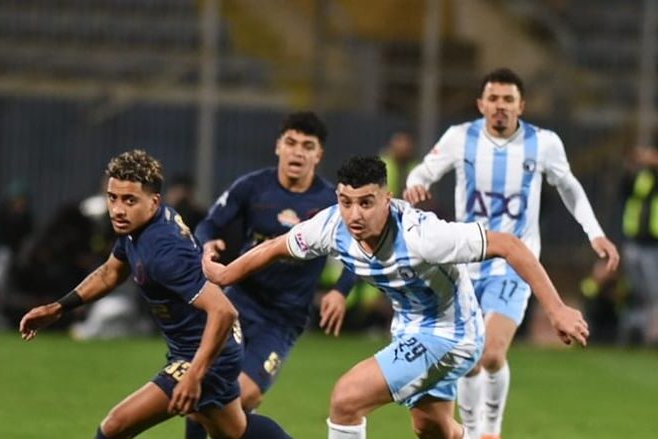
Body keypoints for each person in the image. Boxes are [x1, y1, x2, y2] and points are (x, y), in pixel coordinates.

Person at [202, 155, 589, 439]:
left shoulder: (424, 236)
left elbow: (510, 245)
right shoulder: (332, 225)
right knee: (432, 429)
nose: (354, 214)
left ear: (387, 198)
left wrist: (556, 309)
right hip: (410, 329)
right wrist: (224, 273)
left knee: (346, 399)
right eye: (346, 201)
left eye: (366, 202)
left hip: (452, 334)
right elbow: (277, 246)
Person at [403, 67, 619, 438]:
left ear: (521, 106)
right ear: (481, 104)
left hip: (515, 264)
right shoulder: (460, 138)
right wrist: (415, 186)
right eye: (493, 98)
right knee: (468, 359)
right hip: (466, 263)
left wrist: (594, 232)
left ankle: (491, 428)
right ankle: (474, 433)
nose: (500, 105)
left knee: (490, 353)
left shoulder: (544, 143)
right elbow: (421, 173)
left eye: (508, 99)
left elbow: (569, 186)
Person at [19, 150, 291, 439]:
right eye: (113, 198)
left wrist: (194, 375)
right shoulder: (137, 227)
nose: (118, 210)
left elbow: (224, 311)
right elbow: (111, 273)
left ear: (154, 202)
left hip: (207, 352)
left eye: (129, 200)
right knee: (234, 431)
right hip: (201, 348)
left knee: (114, 427)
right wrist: (59, 307)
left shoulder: (164, 250)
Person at [188, 112, 357, 438]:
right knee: (202, 390)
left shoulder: (330, 203)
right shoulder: (252, 187)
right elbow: (208, 224)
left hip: (282, 318)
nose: (298, 152)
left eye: (307, 146)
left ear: (319, 155)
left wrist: (340, 290)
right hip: (237, 304)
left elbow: (357, 248)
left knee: (242, 397)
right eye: (291, 143)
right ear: (278, 146)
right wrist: (207, 242)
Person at [620, 144, 658, 345]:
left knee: (654, 291)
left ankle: (653, 334)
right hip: (634, 239)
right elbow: (624, 191)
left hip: (654, 244)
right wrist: (632, 164)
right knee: (637, 290)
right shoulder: (641, 176)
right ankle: (641, 332)